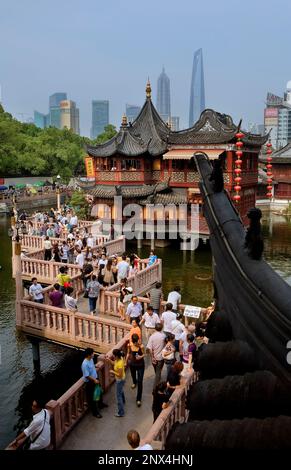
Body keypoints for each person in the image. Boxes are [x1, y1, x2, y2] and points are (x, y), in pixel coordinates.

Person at [81, 348, 107, 418]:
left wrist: (95, 366)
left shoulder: (91, 359)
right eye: (92, 353)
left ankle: (100, 404)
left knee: (99, 392)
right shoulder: (84, 364)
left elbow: (92, 367)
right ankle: (95, 413)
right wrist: (94, 380)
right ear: (89, 355)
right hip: (90, 382)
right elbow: (86, 375)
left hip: (95, 379)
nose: (94, 354)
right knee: (92, 398)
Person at [126, 333, 145, 406]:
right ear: (133, 342)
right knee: (133, 376)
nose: (138, 343)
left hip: (140, 365)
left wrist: (141, 357)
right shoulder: (129, 345)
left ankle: (138, 399)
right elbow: (128, 353)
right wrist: (125, 362)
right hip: (132, 364)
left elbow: (144, 354)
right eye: (136, 342)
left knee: (140, 381)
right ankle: (134, 382)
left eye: (138, 341)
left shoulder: (141, 346)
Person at [107, 349, 126, 417]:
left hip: (120, 380)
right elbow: (114, 363)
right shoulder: (118, 360)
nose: (113, 356)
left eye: (113, 355)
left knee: (118, 396)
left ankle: (121, 412)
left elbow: (119, 374)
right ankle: (123, 401)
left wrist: (113, 372)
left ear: (116, 356)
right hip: (121, 379)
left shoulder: (120, 363)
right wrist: (108, 360)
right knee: (121, 391)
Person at [146, 323, 165, 389]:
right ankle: (155, 388)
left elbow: (150, 349)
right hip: (161, 357)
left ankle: (158, 379)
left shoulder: (152, 337)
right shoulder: (163, 336)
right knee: (158, 372)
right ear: (161, 328)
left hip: (154, 357)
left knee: (157, 371)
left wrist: (152, 357)